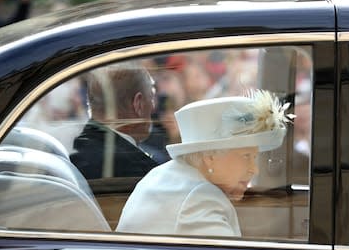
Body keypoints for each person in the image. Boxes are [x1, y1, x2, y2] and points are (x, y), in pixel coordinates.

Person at [116, 89, 293, 237]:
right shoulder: (201, 198)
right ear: (210, 156)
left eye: (254, 158)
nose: (255, 170)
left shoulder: (160, 176)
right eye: (246, 156)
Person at [70, 64, 158, 179]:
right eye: (151, 97)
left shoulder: (78, 155)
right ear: (138, 104)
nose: (153, 106)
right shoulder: (137, 170)